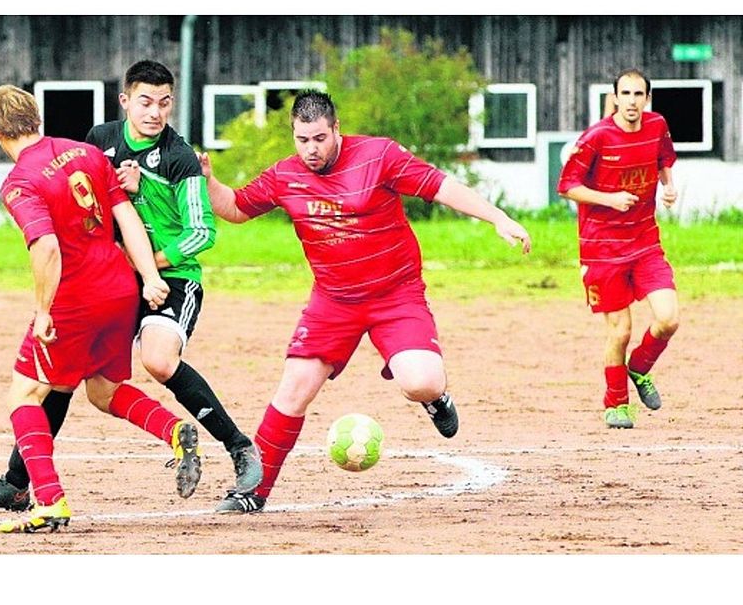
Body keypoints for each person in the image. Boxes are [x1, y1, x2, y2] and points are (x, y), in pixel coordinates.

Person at [200, 90, 532, 513]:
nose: (311, 149)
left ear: (337, 129)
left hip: (396, 293)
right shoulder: (286, 176)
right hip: (333, 300)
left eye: (320, 138)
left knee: (421, 381)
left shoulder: (379, 156)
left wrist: (498, 218)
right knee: (293, 391)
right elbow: (234, 208)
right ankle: (253, 491)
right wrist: (208, 180)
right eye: (302, 140)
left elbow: (442, 186)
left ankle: (436, 399)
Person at [0, 61, 262, 515]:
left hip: (155, 277)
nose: (155, 112)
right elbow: (109, 208)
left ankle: (237, 446)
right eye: (145, 101)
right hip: (121, 282)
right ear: (125, 101)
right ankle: (16, 483)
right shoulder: (95, 144)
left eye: (164, 103)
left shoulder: (180, 158)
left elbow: (202, 233)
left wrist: (153, 272)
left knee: (140, 364)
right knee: (83, 388)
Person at [0, 84, 181, 533]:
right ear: (37, 117)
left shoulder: (19, 182)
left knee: (25, 394)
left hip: (77, 297)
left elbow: (47, 248)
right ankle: (174, 432)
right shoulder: (84, 152)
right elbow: (126, 215)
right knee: (103, 392)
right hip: (119, 288)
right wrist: (148, 276)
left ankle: (49, 500)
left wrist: (43, 309)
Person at [558, 68, 679, 429]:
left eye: (638, 94)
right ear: (614, 98)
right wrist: (609, 199)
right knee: (620, 331)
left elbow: (664, 159)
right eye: (625, 94)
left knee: (669, 318)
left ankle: (639, 367)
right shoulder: (596, 137)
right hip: (602, 248)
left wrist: (669, 186)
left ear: (647, 99)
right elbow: (567, 187)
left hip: (645, 241)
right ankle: (616, 404)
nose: (631, 101)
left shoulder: (657, 126)